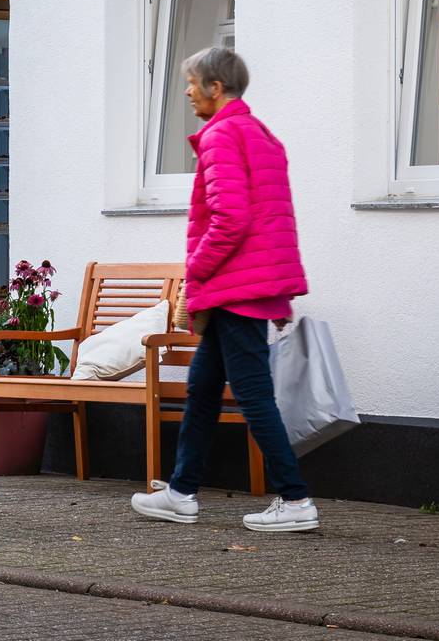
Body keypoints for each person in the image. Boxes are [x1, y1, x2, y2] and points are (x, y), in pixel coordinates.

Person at [131, 45, 319, 534]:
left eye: (193, 83)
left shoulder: (221, 136)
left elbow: (231, 219)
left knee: (253, 395)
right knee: (203, 390)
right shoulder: (261, 134)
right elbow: (271, 220)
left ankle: (296, 499)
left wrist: (195, 270)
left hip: (236, 288)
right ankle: (180, 492)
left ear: (216, 88)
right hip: (249, 286)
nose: (188, 91)